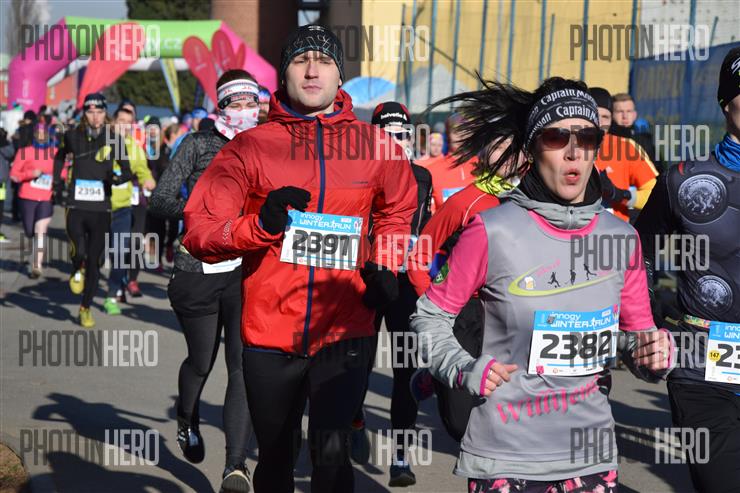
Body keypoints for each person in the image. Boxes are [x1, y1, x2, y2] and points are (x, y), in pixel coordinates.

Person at [181, 24, 417, 493]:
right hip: (271, 331)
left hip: (345, 329)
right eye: (300, 60)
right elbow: (200, 229)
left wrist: (386, 265)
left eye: (324, 61)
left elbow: (398, 211)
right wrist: (260, 226)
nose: (312, 71)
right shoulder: (250, 146)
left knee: (331, 459)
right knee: (275, 459)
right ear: (283, 74)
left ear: (339, 76)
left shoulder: (376, 146)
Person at [410, 76, 674, 492]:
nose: (573, 151)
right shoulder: (492, 230)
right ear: (533, 148)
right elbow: (429, 317)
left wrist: (653, 353)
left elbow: (636, 342)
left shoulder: (621, 238)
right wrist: (462, 367)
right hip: (506, 454)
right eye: (556, 137)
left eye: (586, 138)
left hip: (589, 454)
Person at [150, 69, 262, 493]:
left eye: (252, 103)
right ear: (221, 106)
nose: (246, 110)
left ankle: (236, 466)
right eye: (237, 103)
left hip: (244, 272)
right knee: (201, 362)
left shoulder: (263, 145)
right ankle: (186, 416)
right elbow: (160, 199)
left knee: (242, 366)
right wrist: (201, 214)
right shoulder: (198, 144)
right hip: (197, 270)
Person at [635, 46, 740, 493]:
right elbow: (635, 253)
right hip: (703, 367)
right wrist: (646, 325)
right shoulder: (682, 179)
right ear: (726, 102)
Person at [406, 135, 525, 443]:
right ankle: (435, 374)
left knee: (502, 413)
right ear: (483, 154)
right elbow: (420, 255)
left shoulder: (529, 204)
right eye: (498, 146)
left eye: (514, 149)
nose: (507, 155)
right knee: (460, 423)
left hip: (510, 313)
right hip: (463, 312)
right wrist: (433, 307)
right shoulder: (464, 201)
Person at [349, 101, 432, 487]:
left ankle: (400, 455)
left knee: (405, 369)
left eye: (402, 134)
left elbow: (428, 228)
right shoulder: (359, 172)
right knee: (359, 363)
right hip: (367, 278)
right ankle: (354, 418)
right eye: (388, 135)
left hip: (403, 284)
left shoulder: (422, 176)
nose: (397, 141)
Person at [53, 93, 132, 328]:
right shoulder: (72, 136)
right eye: (90, 112)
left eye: (99, 112)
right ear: (84, 113)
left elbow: (127, 171)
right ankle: (76, 266)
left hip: (101, 209)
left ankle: (85, 308)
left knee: (95, 261)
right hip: (76, 206)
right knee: (79, 251)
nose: (95, 116)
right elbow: (59, 157)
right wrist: (57, 183)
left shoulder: (114, 139)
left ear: (105, 113)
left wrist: (116, 179)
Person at [104, 107, 155, 314]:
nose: (124, 125)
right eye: (121, 120)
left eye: (128, 122)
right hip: (100, 206)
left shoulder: (134, 147)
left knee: (119, 250)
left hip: (123, 206)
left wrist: (147, 179)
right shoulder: (102, 143)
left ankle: (112, 294)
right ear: (113, 122)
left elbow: (142, 169)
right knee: (95, 252)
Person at [590, 87, 658, 223]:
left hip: (615, 232)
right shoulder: (563, 146)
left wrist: (619, 194)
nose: (600, 123)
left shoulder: (626, 147)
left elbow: (655, 194)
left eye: (605, 117)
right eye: (595, 115)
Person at [10, 123, 58, 276]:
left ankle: (37, 265)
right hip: (27, 197)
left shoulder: (55, 152)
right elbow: (14, 175)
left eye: (45, 134)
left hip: (46, 198)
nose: (42, 137)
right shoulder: (25, 152)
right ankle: (34, 252)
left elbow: (63, 171)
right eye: (39, 134)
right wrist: (31, 174)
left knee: (40, 229)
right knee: (30, 231)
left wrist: (58, 178)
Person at [420, 114, 477, 211]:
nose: (461, 136)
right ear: (447, 135)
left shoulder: (481, 166)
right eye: (456, 131)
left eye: (465, 131)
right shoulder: (431, 171)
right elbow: (429, 213)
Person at [610, 92, 662, 172]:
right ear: (611, 114)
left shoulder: (645, 142)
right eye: (620, 111)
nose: (625, 116)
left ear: (635, 114)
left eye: (629, 111)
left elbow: (657, 170)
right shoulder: (605, 140)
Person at [0, 128, 14, 243]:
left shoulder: (4, 145)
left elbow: (11, 153)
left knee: (0, 207)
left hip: (1, 182)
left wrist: (3, 141)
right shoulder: (4, 145)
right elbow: (11, 153)